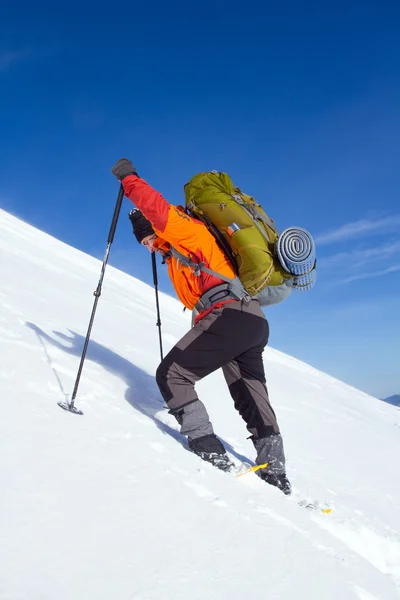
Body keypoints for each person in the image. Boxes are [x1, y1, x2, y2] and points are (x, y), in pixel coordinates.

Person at [111, 158, 291, 495]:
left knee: (172, 375)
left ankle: (207, 446)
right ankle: (275, 470)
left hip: (229, 316)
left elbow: (158, 209)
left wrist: (129, 180)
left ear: (155, 229)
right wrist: (156, 239)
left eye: (147, 238)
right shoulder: (176, 251)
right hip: (250, 320)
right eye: (143, 243)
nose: (147, 245)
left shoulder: (185, 229)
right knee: (249, 392)